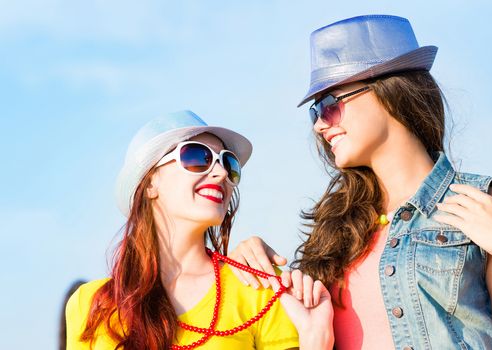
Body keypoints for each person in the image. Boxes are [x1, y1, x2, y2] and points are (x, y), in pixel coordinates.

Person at [228, 15, 492, 349]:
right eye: (315, 113)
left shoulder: (485, 203)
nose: (319, 125)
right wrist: (251, 265)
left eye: (329, 105)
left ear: (389, 91)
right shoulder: (334, 232)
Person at [65, 111, 334, 349]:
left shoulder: (260, 287)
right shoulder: (89, 305)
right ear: (149, 184)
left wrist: (315, 343)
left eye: (229, 164)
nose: (220, 173)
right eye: (196, 157)